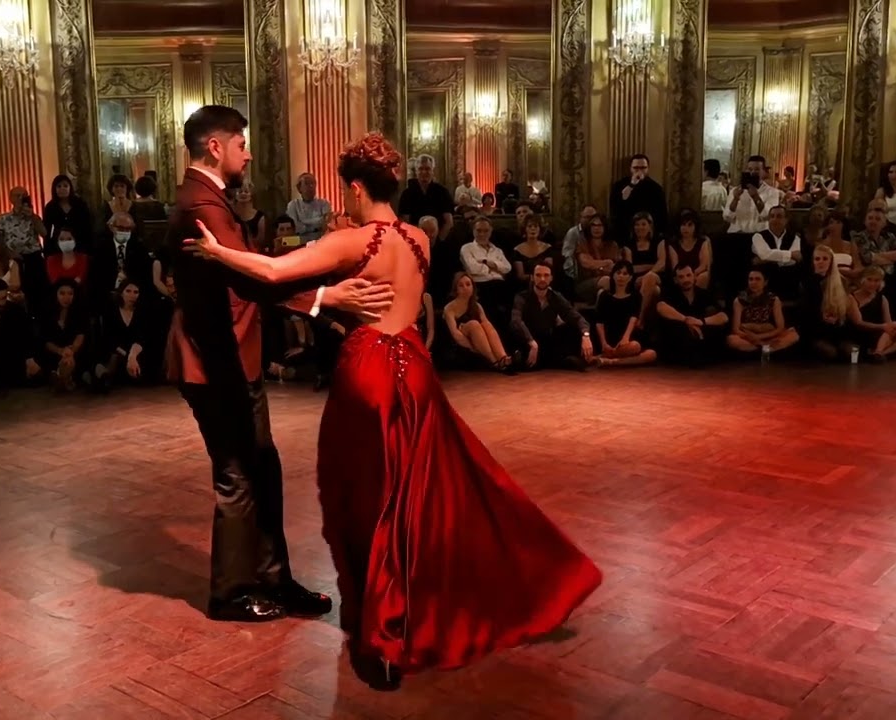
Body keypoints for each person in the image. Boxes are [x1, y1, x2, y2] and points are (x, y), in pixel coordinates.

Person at [187, 131, 602, 690]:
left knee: (373, 504)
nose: (345, 202)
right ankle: (421, 602)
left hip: (369, 377)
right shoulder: (419, 240)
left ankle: (383, 637)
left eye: (346, 193)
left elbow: (272, 273)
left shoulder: (354, 242)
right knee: (421, 497)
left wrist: (216, 252)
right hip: (417, 369)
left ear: (357, 188)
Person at [167, 106, 396, 626]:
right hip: (213, 361)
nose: (247, 151)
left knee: (261, 468)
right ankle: (230, 594)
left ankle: (274, 579)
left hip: (233, 356)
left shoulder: (214, 201)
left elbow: (253, 265)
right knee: (237, 475)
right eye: (240, 142)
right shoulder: (198, 204)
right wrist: (328, 297)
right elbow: (252, 280)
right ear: (214, 148)